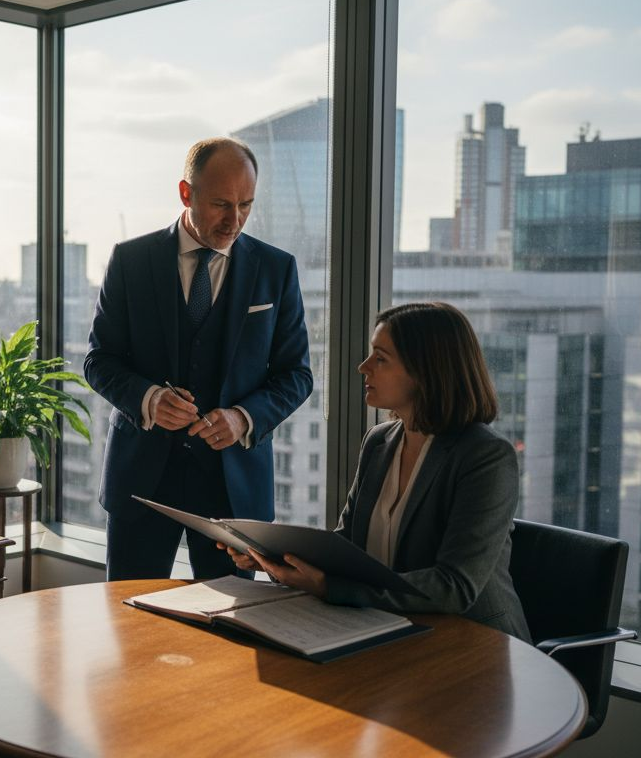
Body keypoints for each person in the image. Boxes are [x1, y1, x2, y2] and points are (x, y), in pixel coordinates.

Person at [223, 301, 530, 640]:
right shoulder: (380, 441)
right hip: (390, 628)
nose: (363, 367)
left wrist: (330, 587)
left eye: (380, 358)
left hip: (475, 643)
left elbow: (454, 587)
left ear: (427, 370)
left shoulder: (485, 456)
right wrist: (275, 557)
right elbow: (348, 546)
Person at [85, 137, 312, 580]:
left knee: (233, 632)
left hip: (233, 491)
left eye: (246, 205)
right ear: (186, 194)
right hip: (142, 483)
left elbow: (297, 375)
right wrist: (149, 398)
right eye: (221, 204)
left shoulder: (276, 269)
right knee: (131, 624)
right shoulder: (130, 261)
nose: (235, 220)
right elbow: (99, 361)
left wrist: (243, 418)